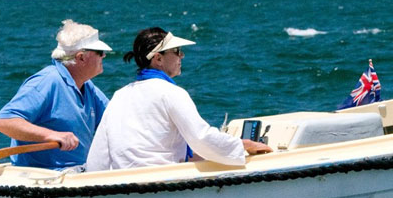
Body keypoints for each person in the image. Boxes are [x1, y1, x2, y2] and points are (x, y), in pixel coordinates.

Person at [85, 26, 271, 171]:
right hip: (161, 181)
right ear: (158, 59)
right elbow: (201, 138)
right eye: (176, 51)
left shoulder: (120, 95)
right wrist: (244, 145)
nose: (182, 55)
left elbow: (99, 154)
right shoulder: (171, 93)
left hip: (124, 183)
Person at [0, 19, 111, 169]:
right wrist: (52, 135)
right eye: (99, 52)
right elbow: (4, 122)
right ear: (81, 57)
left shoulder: (87, 86)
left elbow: (113, 119)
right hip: (44, 176)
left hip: (77, 172)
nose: (104, 56)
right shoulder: (47, 81)